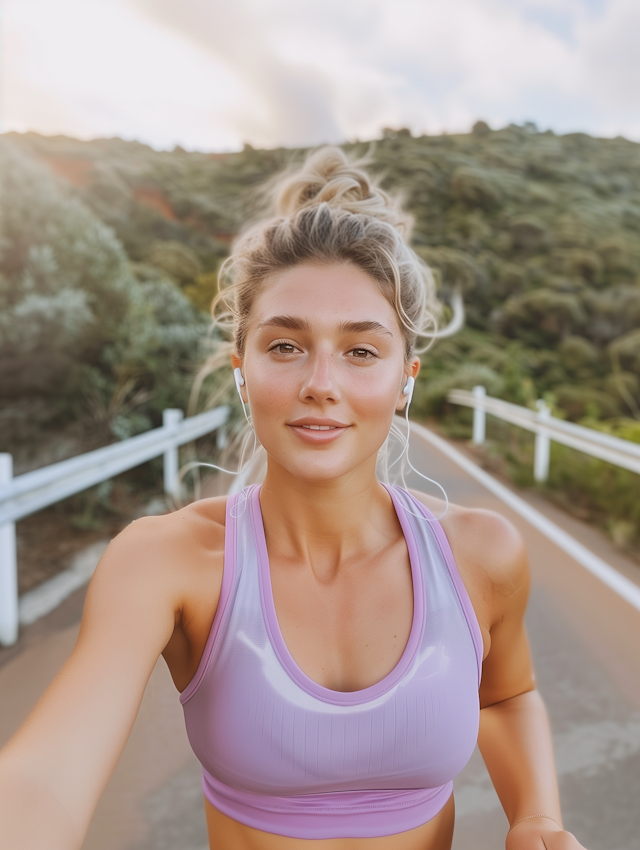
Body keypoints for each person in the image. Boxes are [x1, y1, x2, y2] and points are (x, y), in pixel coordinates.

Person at [0, 148, 586, 850]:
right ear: (242, 367)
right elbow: (44, 779)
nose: (320, 383)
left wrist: (537, 818)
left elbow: (507, 695)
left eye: (361, 351)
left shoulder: (482, 555)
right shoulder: (167, 563)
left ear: (406, 378)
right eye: (285, 346)